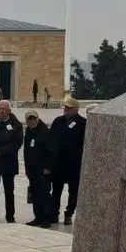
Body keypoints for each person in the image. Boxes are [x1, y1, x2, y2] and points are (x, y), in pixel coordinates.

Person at [50, 96, 87, 225]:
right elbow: (51, 138)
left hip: (74, 164)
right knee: (56, 190)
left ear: (76, 109)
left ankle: (69, 213)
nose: (66, 109)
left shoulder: (83, 123)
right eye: (65, 107)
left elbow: (85, 143)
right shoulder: (58, 121)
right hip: (59, 162)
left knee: (73, 191)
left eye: (69, 108)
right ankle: (54, 213)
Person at [23, 110, 59, 227]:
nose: (31, 121)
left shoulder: (45, 133)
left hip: (43, 170)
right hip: (33, 170)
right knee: (35, 194)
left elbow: (53, 152)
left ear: (37, 119)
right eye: (29, 119)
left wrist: (48, 167)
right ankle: (38, 217)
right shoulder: (29, 132)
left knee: (44, 194)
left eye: (34, 119)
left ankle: (47, 218)